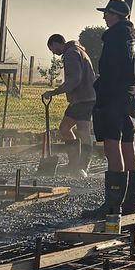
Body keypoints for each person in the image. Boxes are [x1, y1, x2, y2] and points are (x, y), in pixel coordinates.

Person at [92, 0, 135, 217]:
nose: (103, 17)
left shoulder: (114, 38)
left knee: (112, 147)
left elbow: (109, 72)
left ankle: (113, 205)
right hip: (132, 95)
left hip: (114, 96)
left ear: (115, 15)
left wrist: (101, 99)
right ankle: (130, 204)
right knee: (128, 145)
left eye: (106, 13)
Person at [42, 33, 96, 176]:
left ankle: (83, 165)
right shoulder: (77, 51)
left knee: (83, 130)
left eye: (52, 49)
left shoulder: (72, 53)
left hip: (84, 98)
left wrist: (55, 92)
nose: (53, 53)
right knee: (64, 128)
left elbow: (75, 79)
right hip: (81, 98)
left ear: (56, 43)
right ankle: (74, 163)